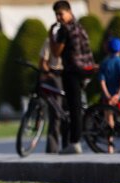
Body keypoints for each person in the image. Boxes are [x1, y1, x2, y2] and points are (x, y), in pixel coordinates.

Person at [50, 0, 96, 154]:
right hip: (87, 68)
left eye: (60, 14)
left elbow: (56, 53)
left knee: (73, 107)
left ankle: (75, 142)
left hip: (73, 70)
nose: (58, 18)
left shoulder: (64, 30)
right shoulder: (80, 26)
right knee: (78, 105)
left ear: (68, 12)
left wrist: (51, 36)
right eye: (56, 15)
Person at [38, 33, 68, 153]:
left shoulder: (70, 38)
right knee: (56, 113)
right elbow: (43, 61)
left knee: (67, 114)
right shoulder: (50, 40)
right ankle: (53, 148)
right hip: (55, 76)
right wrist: (47, 74)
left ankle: (69, 145)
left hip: (68, 74)